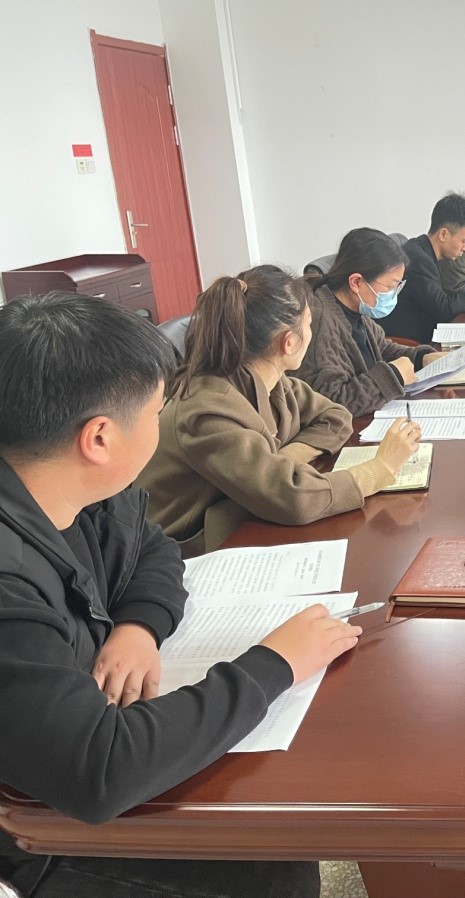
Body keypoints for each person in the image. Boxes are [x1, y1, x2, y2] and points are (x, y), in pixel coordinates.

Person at [0, 292, 361, 897]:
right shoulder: (9, 583)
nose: (161, 422)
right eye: (155, 410)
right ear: (99, 437)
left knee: (277, 839)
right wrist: (273, 665)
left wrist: (138, 626)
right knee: (269, 865)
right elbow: (99, 772)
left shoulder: (78, 487)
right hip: (38, 834)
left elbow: (155, 551)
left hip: (82, 739)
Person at [136, 266, 422, 557]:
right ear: (289, 342)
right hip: (188, 554)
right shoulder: (207, 411)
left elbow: (336, 417)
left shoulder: (270, 380)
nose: (311, 333)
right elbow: (294, 499)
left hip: (240, 521)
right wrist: (380, 468)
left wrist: (285, 459)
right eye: (309, 324)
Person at [297, 227, 446, 417]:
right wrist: (393, 376)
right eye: (390, 286)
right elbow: (334, 401)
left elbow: (383, 349)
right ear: (356, 282)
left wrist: (421, 358)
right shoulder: (319, 322)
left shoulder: (356, 306)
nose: (393, 295)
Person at [381, 192, 465, 343]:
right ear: (443, 234)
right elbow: (444, 308)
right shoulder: (418, 259)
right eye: (463, 241)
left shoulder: (423, 251)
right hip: (409, 342)